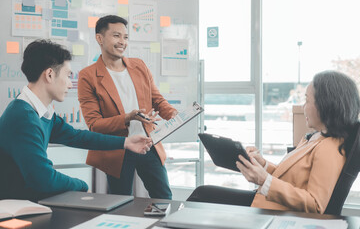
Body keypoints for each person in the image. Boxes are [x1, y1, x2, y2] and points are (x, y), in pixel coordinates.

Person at [0, 40, 152, 202]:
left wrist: (126, 143)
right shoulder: (24, 117)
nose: (70, 83)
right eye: (68, 75)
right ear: (50, 75)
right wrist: (81, 185)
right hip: (16, 209)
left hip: (30, 202)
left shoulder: (38, 111)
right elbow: (43, 179)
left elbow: (77, 136)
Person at [188, 70, 360, 214]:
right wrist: (262, 164)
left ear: (326, 105)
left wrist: (264, 180)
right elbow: (289, 177)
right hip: (269, 203)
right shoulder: (315, 138)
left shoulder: (329, 149)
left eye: (307, 100)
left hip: (276, 210)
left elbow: (315, 205)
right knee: (202, 194)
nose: (302, 107)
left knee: (202, 195)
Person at [78, 15, 177, 199]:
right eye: (116, 36)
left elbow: (157, 99)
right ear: (99, 38)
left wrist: (174, 114)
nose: (122, 42)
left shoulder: (139, 65)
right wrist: (127, 117)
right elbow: (94, 125)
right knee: (121, 201)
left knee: (164, 197)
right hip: (118, 148)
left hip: (148, 144)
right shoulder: (88, 76)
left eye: (125, 37)